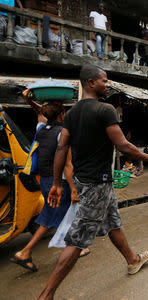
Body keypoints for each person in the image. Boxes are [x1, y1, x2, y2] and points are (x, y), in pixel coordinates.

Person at [37, 65, 148, 300]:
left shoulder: (72, 113)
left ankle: (132, 260)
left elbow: (62, 147)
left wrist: (56, 182)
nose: (108, 85)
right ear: (91, 83)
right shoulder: (105, 110)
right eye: (104, 81)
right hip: (97, 184)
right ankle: (46, 295)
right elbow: (123, 144)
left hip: (87, 181)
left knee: (113, 222)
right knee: (77, 240)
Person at [11, 92, 89, 272]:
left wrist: (29, 100)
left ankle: (76, 245)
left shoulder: (41, 129)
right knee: (51, 215)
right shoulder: (62, 133)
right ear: (62, 115)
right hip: (58, 182)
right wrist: (72, 188)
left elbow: (41, 113)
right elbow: (68, 165)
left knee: (61, 212)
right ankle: (25, 251)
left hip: (45, 180)